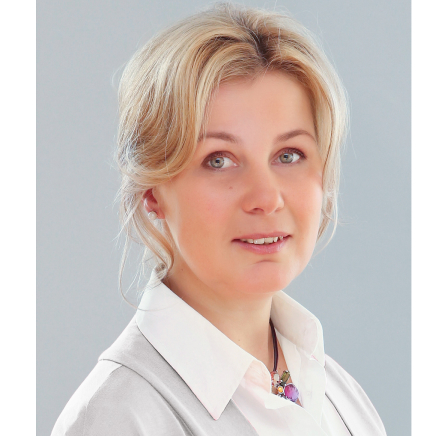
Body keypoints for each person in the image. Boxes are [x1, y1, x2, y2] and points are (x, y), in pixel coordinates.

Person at [51, 3, 387, 435]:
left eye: (289, 155)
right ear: (152, 192)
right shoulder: (119, 418)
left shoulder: (340, 396)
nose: (266, 198)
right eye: (219, 160)